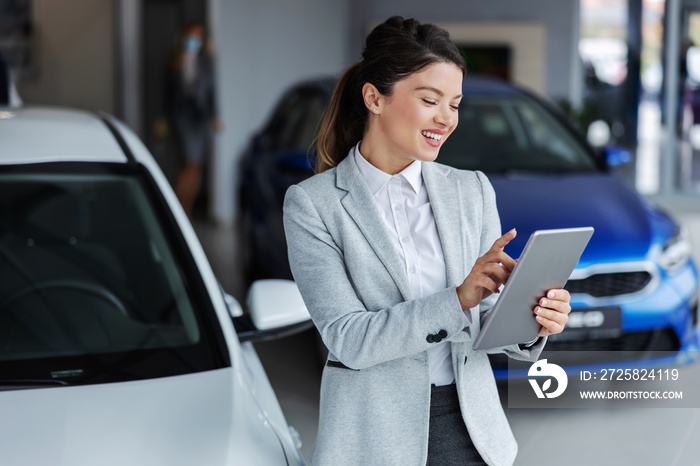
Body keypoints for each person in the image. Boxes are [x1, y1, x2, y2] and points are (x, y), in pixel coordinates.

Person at [283, 16, 572, 466]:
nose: (446, 118)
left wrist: (533, 320)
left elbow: (486, 317)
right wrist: (458, 299)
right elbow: (348, 340)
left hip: (473, 431)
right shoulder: (313, 205)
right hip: (373, 439)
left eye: (455, 104)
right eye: (430, 100)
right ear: (374, 98)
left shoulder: (471, 189)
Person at [155, 21, 222, 218]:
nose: (195, 39)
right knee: (189, 163)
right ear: (184, 36)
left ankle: (187, 210)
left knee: (195, 166)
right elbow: (166, 94)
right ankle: (176, 209)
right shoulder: (174, 60)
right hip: (181, 115)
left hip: (200, 117)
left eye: (198, 36)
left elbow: (212, 93)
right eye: (192, 35)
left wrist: (215, 116)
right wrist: (162, 118)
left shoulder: (206, 61)